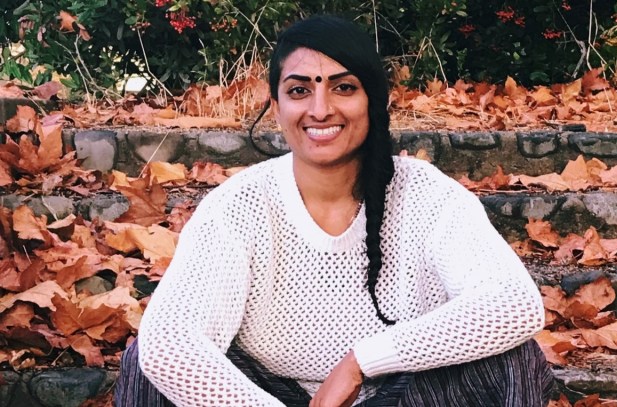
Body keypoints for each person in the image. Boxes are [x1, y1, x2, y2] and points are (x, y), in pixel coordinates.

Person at [115, 15, 553, 407]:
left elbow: (514, 304)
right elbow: (168, 342)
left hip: (401, 394)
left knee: (512, 360)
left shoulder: (428, 196)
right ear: (277, 105)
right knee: (146, 367)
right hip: (264, 395)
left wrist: (359, 362)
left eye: (344, 87)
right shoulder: (239, 205)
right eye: (300, 90)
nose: (320, 109)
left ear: (373, 100)